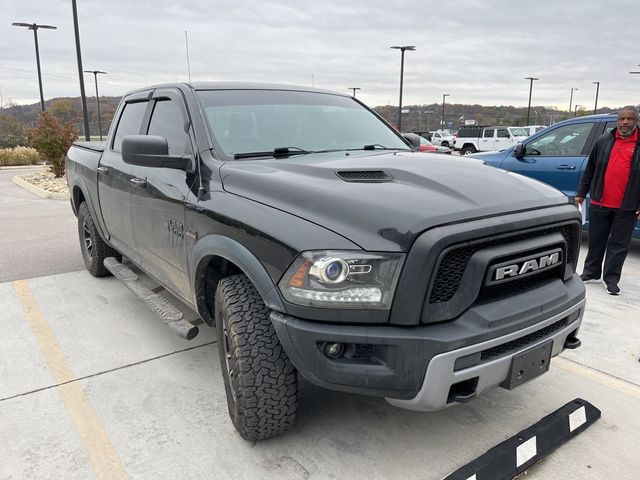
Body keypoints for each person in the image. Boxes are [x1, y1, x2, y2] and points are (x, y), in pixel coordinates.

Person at [575, 105, 640, 295]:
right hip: (600, 201)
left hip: (627, 205)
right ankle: (591, 273)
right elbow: (590, 169)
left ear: (636, 121)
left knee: (619, 245)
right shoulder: (603, 141)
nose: (625, 122)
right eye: (622, 119)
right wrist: (581, 193)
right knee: (596, 240)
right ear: (617, 121)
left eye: (629, 119)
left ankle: (611, 279)